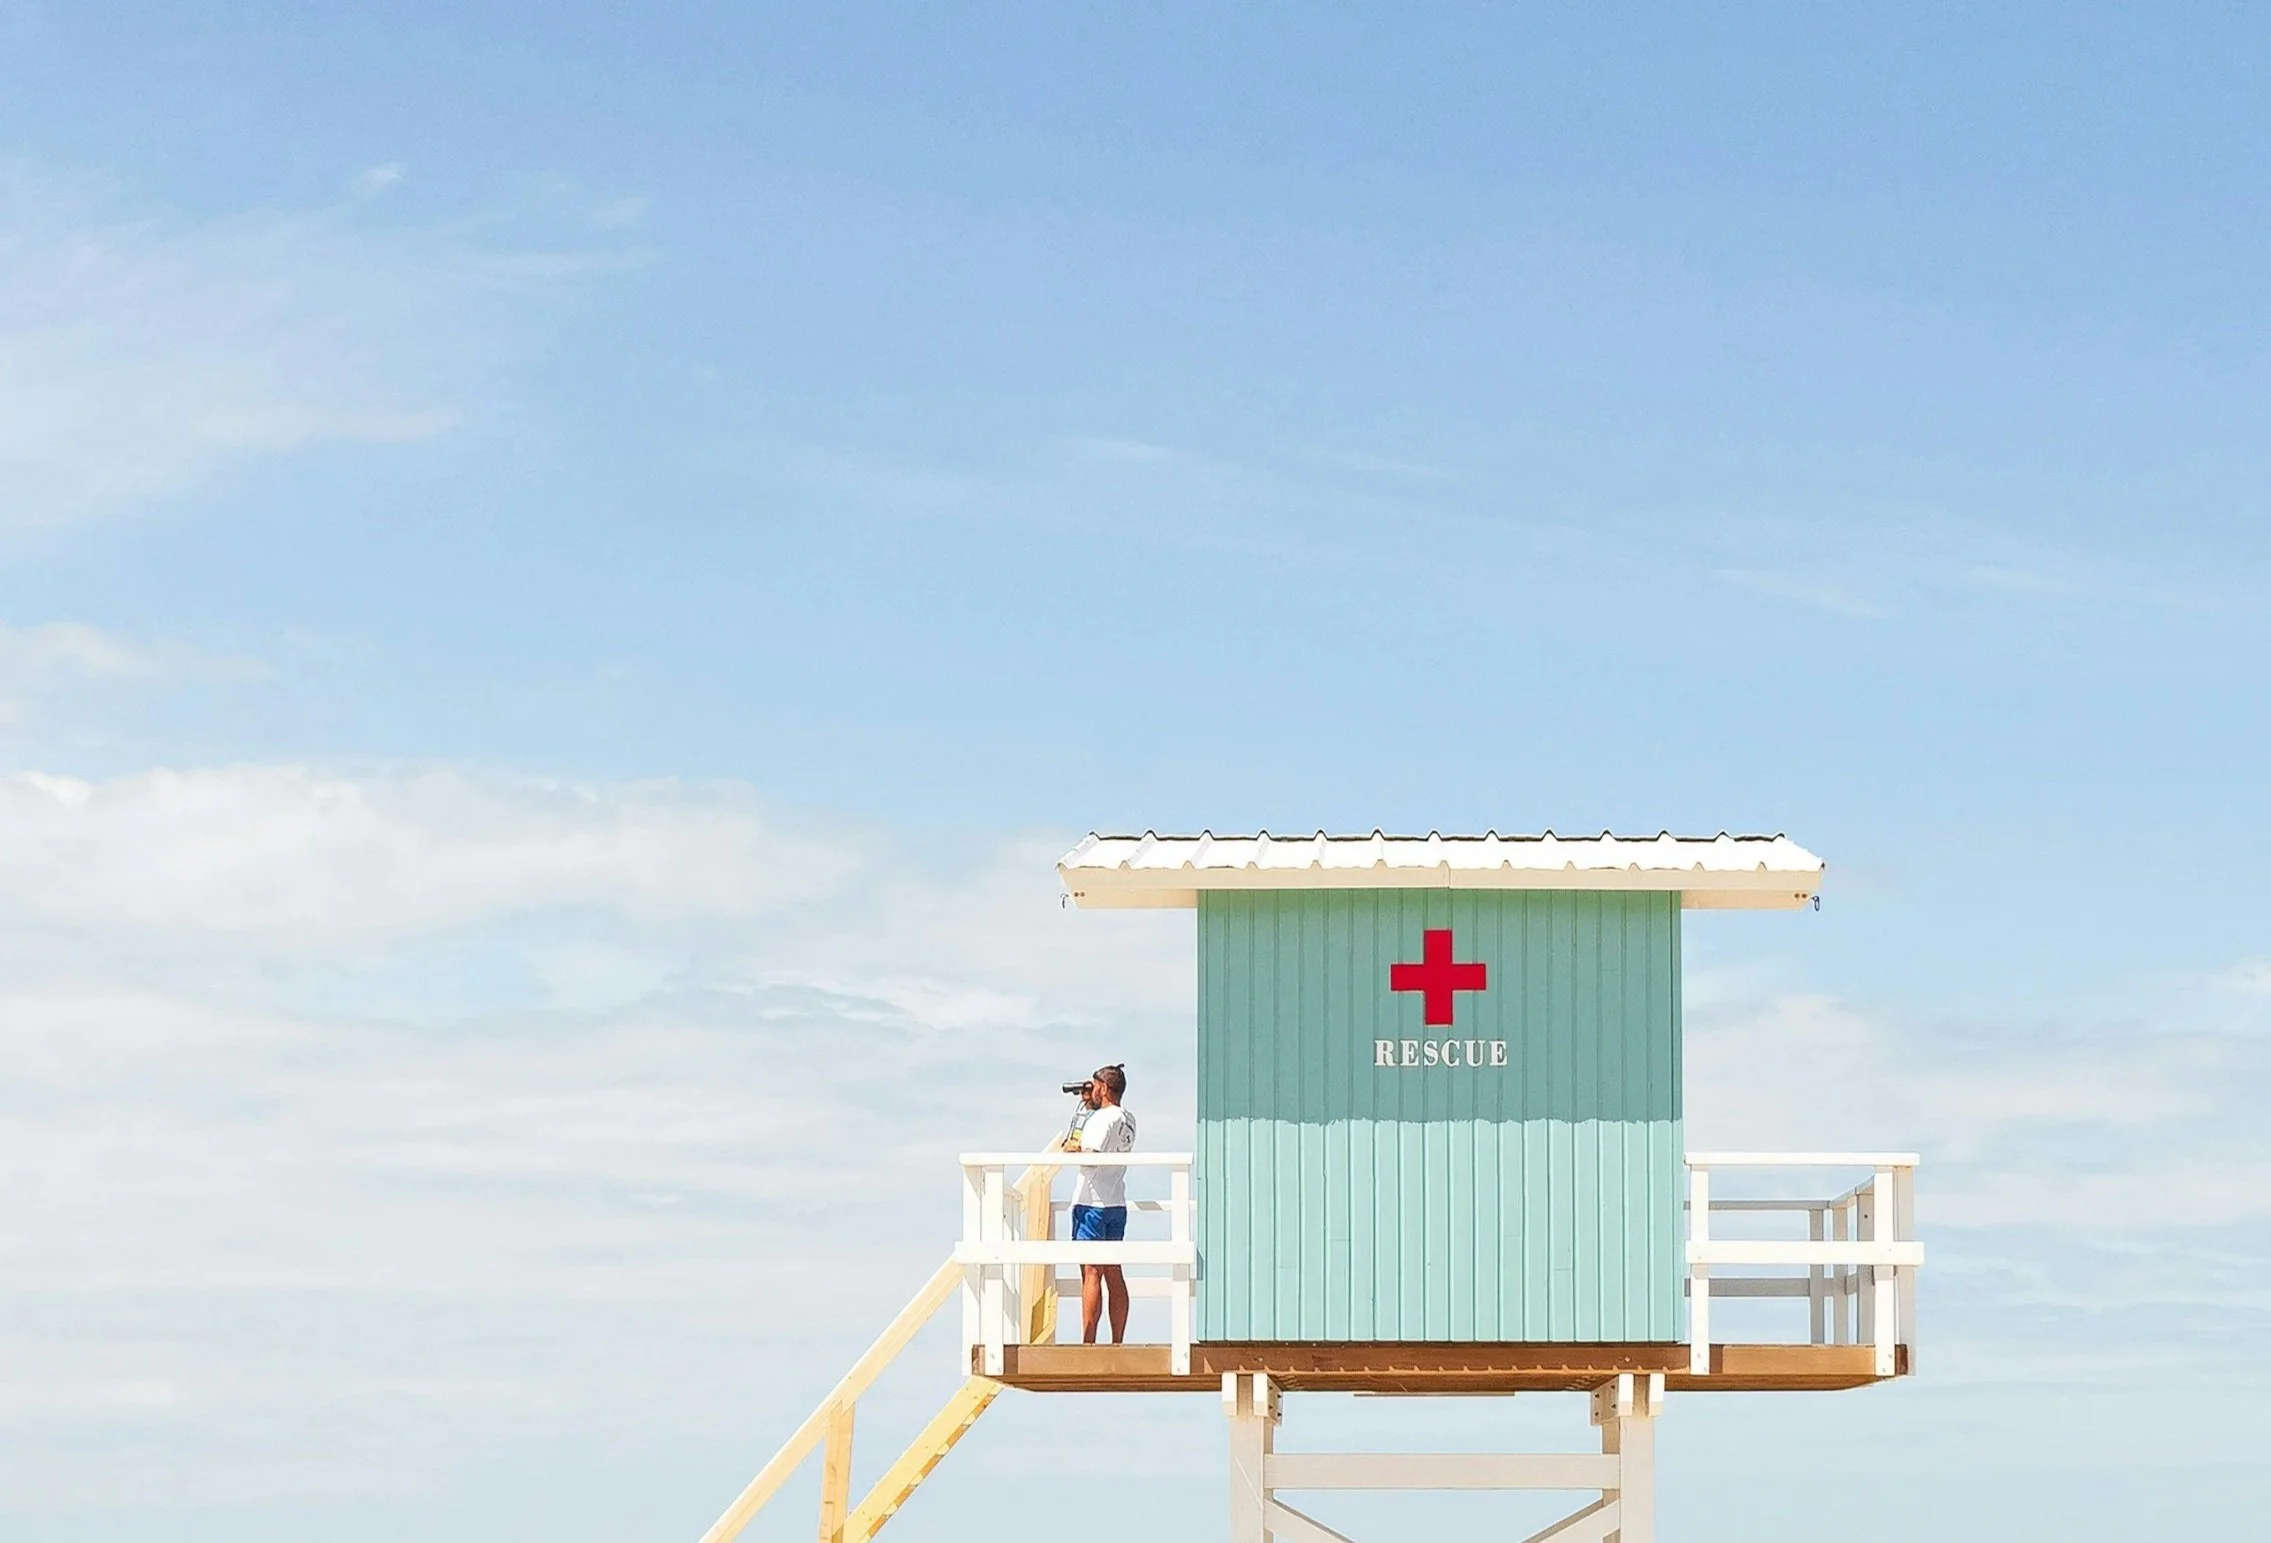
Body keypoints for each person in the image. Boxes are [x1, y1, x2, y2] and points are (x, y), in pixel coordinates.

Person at [1066, 1064, 1136, 1345]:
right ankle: (1117, 1340)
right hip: (1115, 1201)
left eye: (1095, 1087)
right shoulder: (1128, 1119)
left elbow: (1089, 1156)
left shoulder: (1100, 1119)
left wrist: (1071, 1147)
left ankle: (1089, 1342)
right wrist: (1088, 1106)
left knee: (1091, 1272)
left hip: (1091, 1203)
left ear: (1104, 1088)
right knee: (1114, 1271)